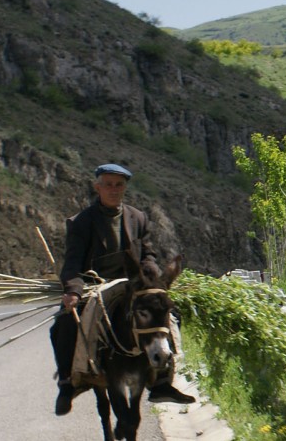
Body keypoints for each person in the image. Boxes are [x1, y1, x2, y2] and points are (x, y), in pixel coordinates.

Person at [49, 162, 195, 415]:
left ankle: (161, 382)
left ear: (125, 187)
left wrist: (153, 279)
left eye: (119, 185)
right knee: (63, 325)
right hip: (96, 285)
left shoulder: (137, 217)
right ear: (97, 187)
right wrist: (73, 290)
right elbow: (72, 261)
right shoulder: (81, 222)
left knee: (170, 315)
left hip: (132, 284)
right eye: (108, 185)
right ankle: (67, 384)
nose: (113, 190)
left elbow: (147, 254)